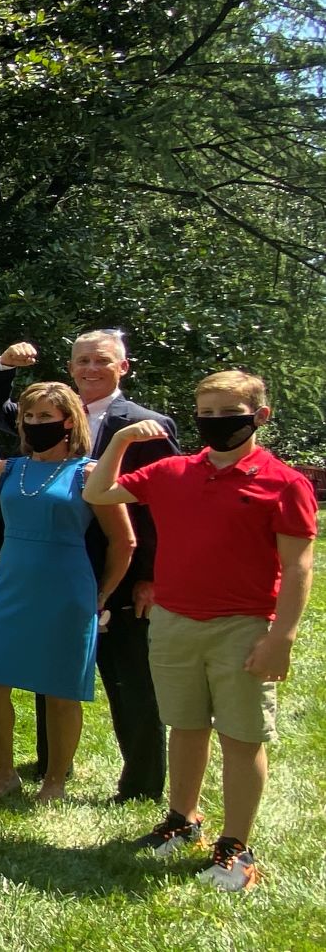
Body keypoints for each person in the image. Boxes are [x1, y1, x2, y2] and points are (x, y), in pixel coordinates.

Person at [85, 370, 316, 892]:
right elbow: (99, 491)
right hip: (172, 621)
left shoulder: (284, 482)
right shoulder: (173, 471)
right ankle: (182, 818)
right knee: (185, 726)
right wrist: (122, 438)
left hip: (243, 626)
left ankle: (237, 846)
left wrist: (281, 638)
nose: (215, 423)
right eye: (205, 413)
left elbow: (300, 566)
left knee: (242, 735)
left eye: (227, 412)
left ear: (260, 416)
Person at [0, 330, 180, 803]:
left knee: (129, 681)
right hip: (46, 569)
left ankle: (142, 784)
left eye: (101, 360)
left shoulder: (148, 425)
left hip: (119, 571)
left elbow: (162, 508)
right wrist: (3, 364)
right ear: (70, 368)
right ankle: (51, 771)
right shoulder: (46, 414)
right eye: (81, 360)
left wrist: (150, 576)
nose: (90, 368)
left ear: (123, 368)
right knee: (51, 676)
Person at [0, 383, 135, 803]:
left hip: (68, 590)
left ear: (68, 422)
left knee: (61, 691)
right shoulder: (9, 469)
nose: (36, 423)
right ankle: (3, 774)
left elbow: (124, 541)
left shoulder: (88, 472)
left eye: (46, 416)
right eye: (30, 416)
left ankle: (55, 781)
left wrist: (101, 597)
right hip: (11, 587)